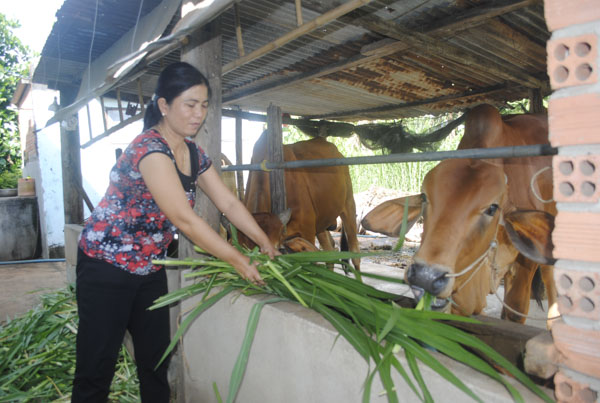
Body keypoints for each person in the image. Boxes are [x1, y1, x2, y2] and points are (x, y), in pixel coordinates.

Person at [72, 61, 279, 402]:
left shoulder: (194, 153)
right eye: (189, 104)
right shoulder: (149, 149)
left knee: (155, 362)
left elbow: (226, 201)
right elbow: (185, 220)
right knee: (97, 368)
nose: (198, 114)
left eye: (203, 105)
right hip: (105, 267)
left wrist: (263, 240)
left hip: (150, 268)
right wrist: (238, 260)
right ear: (164, 106)